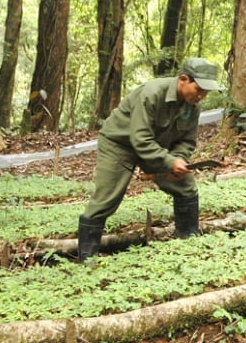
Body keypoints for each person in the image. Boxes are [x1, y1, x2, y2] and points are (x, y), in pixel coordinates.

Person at [77, 57, 221, 263]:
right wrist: (169, 162)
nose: (201, 96)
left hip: (155, 147)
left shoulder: (192, 106)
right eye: (198, 89)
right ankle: (87, 259)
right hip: (121, 144)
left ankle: (189, 243)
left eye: (205, 93)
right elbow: (140, 139)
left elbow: (187, 141)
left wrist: (179, 160)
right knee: (107, 197)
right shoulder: (152, 94)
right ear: (183, 79)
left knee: (186, 186)